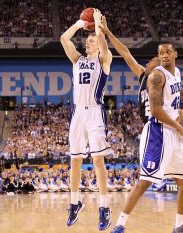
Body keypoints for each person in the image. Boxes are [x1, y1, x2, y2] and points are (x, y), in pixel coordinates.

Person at [99, 17, 183, 233]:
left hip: (168, 130)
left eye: (159, 56)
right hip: (158, 129)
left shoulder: (170, 75)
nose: (152, 60)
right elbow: (125, 53)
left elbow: (177, 104)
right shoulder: (145, 76)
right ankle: (124, 224)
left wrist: (182, 116)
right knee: (172, 178)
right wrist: (108, 32)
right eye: (156, 56)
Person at [60, 8, 113, 230]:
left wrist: (99, 24)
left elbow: (102, 41)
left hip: (94, 112)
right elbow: (64, 38)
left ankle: (104, 207)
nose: (89, 42)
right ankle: (74, 202)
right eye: (88, 41)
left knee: (98, 161)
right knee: (75, 160)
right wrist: (80, 24)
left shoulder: (104, 59)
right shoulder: (77, 60)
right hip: (78, 113)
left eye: (92, 40)